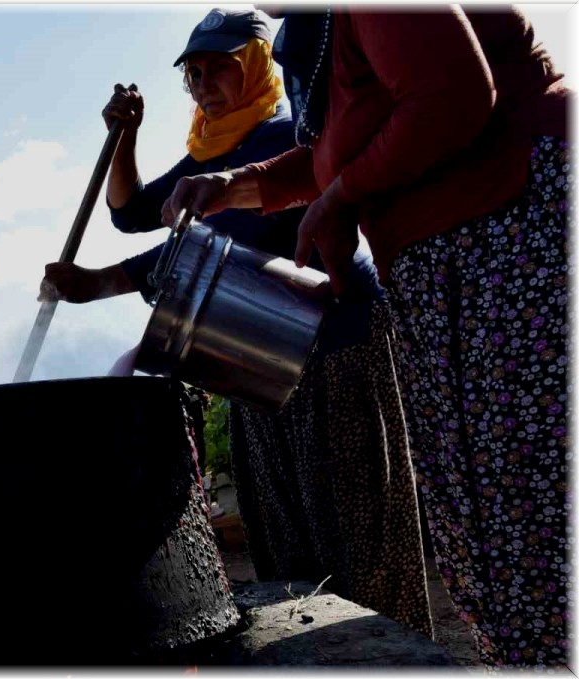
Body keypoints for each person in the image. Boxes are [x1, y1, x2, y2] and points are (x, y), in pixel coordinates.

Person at [167, 6, 570, 668]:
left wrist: (341, 198)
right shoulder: (318, 31)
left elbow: (453, 94)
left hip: (509, 236)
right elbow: (341, 149)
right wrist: (236, 187)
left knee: (532, 504)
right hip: (446, 264)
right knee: (491, 518)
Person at [39, 8, 433, 636]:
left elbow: (229, 230)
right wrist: (124, 138)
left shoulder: (283, 133)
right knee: (283, 524)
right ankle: (313, 652)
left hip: (331, 342)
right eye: (191, 74)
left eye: (217, 69)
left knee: (352, 522)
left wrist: (103, 282)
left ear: (253, 66)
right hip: (254, 356)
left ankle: (386, 650)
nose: (201, 84)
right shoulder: (210, 148)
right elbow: (133, 213)